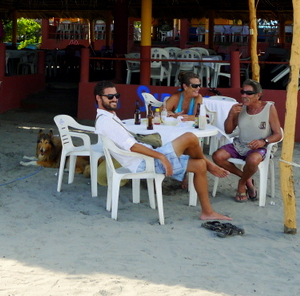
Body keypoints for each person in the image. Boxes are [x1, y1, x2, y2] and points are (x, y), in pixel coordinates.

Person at [93, 80, 231, 221]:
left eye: (117, 95)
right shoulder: (106, 122)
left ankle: (207, 212)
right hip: (143, 163)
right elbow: (132, 146)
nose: (114, 99)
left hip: (144, 158)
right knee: (190, 137)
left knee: (199, 165)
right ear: (99, 98)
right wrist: (161, 157)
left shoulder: (109, 117)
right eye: (110, 97)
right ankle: (211, 165)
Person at [212, 79, 282, 202]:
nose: (244, 96)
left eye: (248, 93)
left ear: (258, 95)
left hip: (261, 146)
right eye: (242, 92)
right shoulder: (239, 108)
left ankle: (241, 183)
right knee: (217, 156)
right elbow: (228, 130)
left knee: (253, 160)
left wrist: (264, 141)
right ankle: (248, 180)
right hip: (240, 143)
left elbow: (278, 134)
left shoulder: (269, 108)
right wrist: (230, 115)